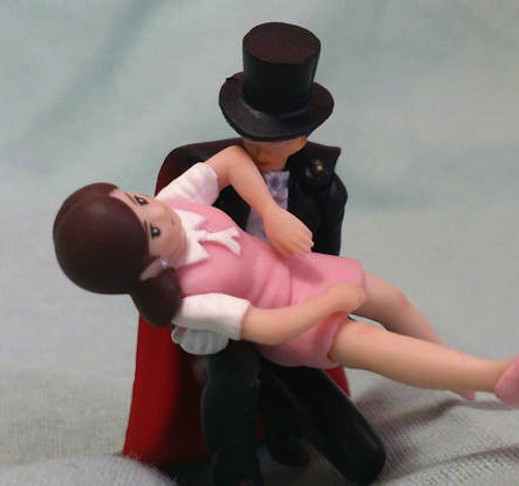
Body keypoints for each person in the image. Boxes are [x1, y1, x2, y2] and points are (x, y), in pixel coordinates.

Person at [54, 146, 519, 421]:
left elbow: (230, 161)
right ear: (145, 271)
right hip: (296, 323)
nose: (160, 213)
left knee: (393, 300)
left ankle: (456, 372)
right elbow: (264, 328)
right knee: (374, 346)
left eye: (140, 201)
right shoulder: (188, 302)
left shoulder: (174, 201)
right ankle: (495, 378)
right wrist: (329, 303)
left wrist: (270, 213)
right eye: (152, 232)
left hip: (301, 269)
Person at [123, 22, 386, 486]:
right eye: (253, 136)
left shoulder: (321, 186)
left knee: (356, 447)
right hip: (228, 312)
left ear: (303, 137)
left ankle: (290, 433)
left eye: (279, 138)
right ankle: (236, 473)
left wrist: (325, 306)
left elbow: (326, 256)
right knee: (233, 375)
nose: (262, 151)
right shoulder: (207, 173)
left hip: (293, 303)